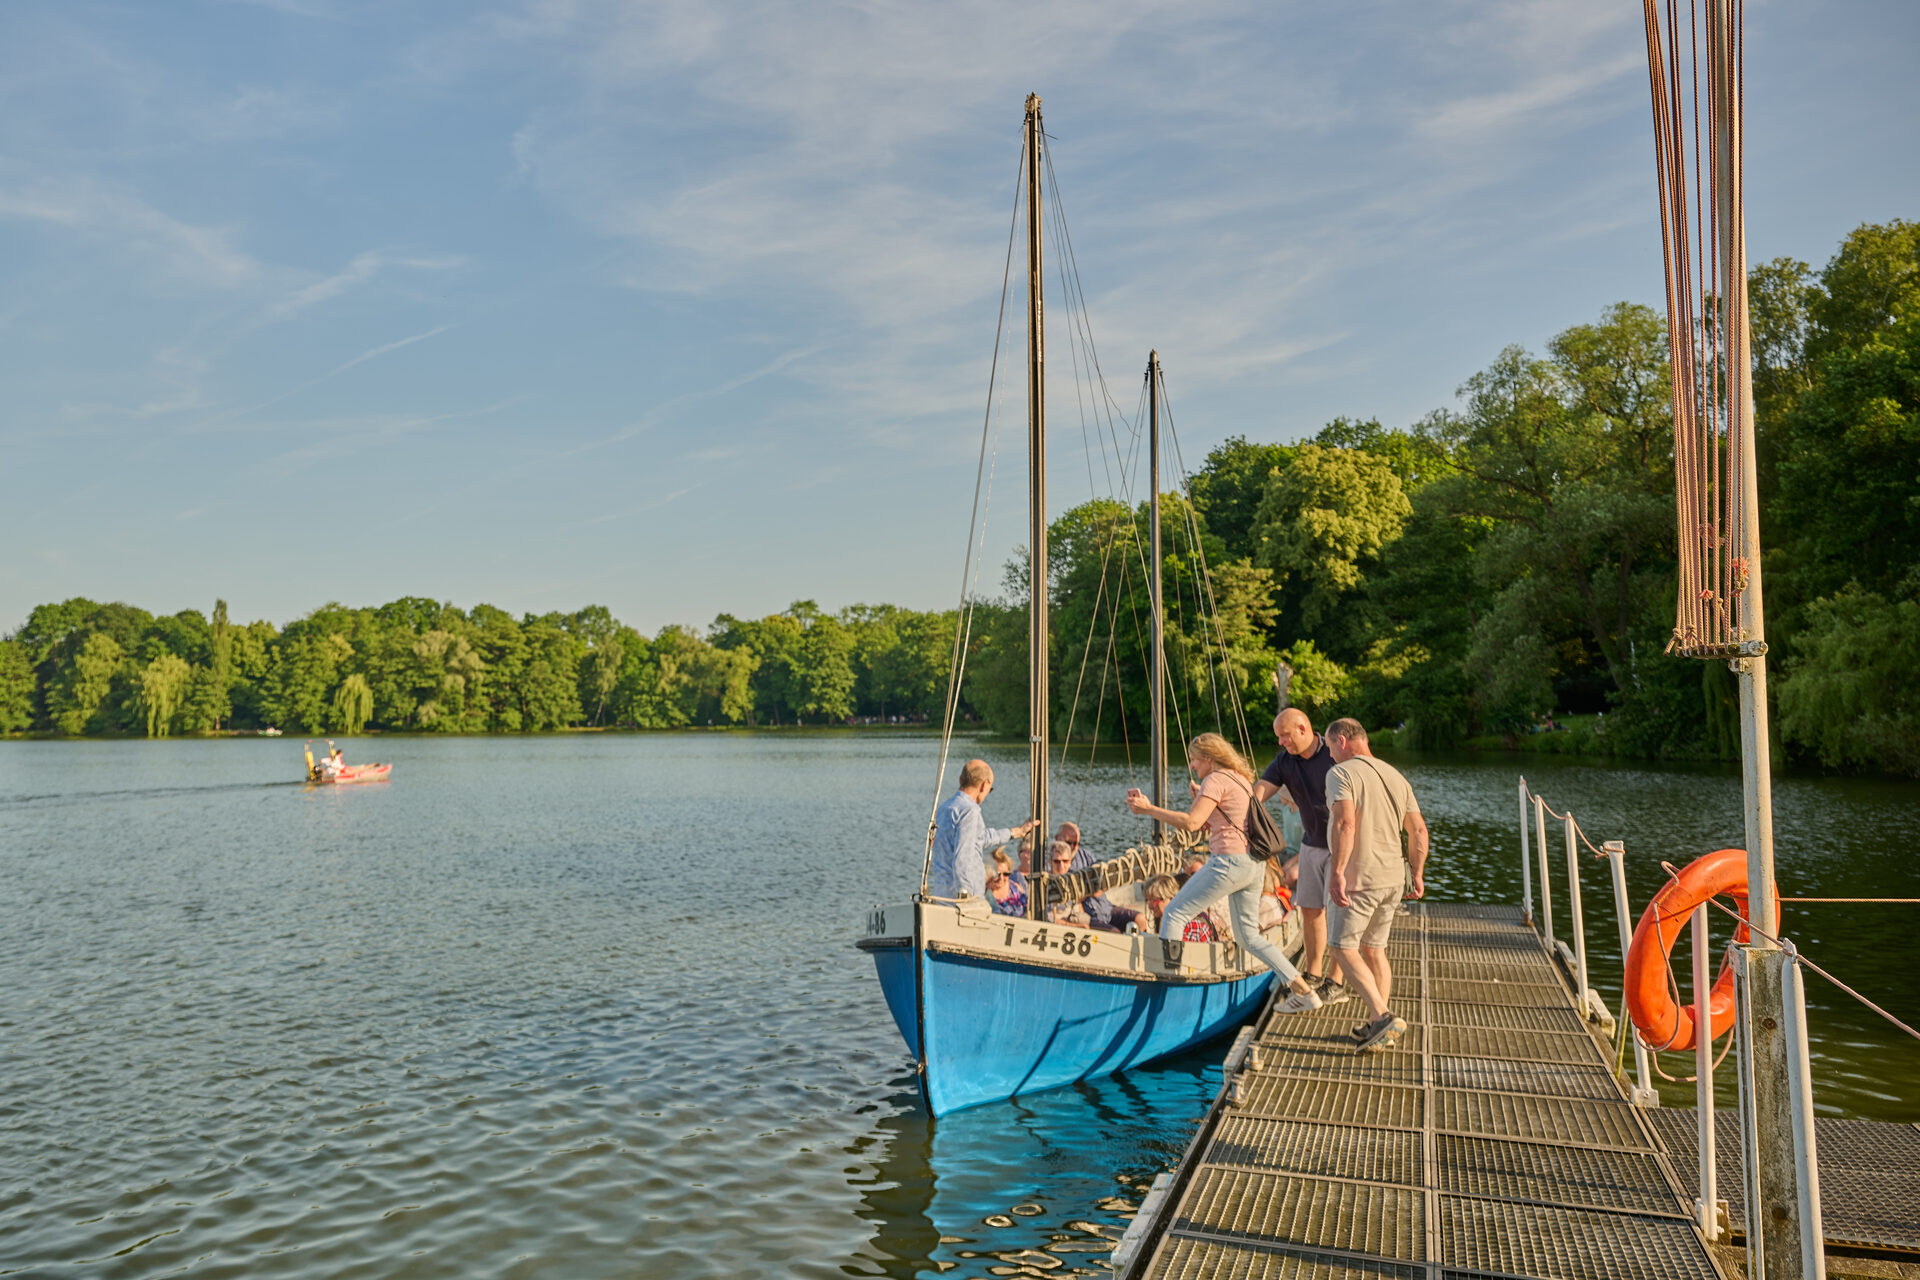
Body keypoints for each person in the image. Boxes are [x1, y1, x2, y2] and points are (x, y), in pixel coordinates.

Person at [1125, 733, 1321, 1012]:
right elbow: (1216, 822)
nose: (1192, 766)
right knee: (1249, 938)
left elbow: (1192, 823)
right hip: (1253, 865)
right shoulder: (1239, 778)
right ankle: (1305, 991)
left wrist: (1148, 809)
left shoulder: (1215, 779)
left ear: (1208, 758)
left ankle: (1170, 994)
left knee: (1174, 914)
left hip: (1228, 863)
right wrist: (1201, 800)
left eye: (1194, 759)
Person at [1323, 717, 1429, 1053]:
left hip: (1360, 877)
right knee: (1374, 949)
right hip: (1392, 878)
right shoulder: (1396, 776)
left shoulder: (1341, 773)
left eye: (1329, 747)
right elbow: (1418, 830)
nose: (1329, 755)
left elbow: (1345, 823)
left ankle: (1382, 1016)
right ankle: (1377, 1025)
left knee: (1341, 946)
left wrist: (1337, 871)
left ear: (1342, 740)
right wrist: (1417, 873)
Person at [1256, 708, 1347, 1005]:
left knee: (1338, 913)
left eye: (1285, 735)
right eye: (1278, 737)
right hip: (1310, 845)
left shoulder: (1333, 754)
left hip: (1341, 846)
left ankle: (1336, 981)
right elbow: (1259, 793)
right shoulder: (1285, 761)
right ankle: (1314, 974)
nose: (1281, 742)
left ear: (1303, 728)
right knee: (1309, 910)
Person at [929, 759, 1038, 900]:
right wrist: (967, 897)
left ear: (960, 779)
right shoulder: (970, 811)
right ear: (984, 785)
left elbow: (979, 838)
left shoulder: (945, 808)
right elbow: (963, 858)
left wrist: (1016, 832)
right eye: (990, 790)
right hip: (962, 900)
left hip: (941, 893)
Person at [1143, 875, 1215, 941]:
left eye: (1154, 901)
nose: (1150, 906)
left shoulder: (1192, 926)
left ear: (1171, 899)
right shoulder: (1170, 921)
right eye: (1148, 901)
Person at [987, 848, 1028, 917]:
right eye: (997, 874)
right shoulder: (986, 894)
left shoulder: (1016, 889)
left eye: (1006, 874)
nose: (1001, 878)